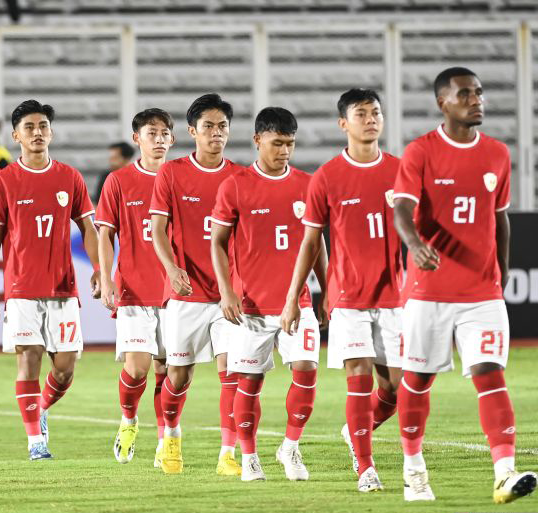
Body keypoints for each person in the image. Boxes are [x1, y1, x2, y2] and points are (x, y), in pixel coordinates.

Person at [392, 67, 537, 503]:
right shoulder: (420, 152)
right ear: (443, 103)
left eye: (479, 92)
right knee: (417, 379)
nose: (477, 100)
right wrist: (415, 244)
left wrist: (503, 267)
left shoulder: (497, 153)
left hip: (482, 292)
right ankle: (413, 468)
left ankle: (504, 473)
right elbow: (401, 210)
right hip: (428, 290)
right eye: (465, 94)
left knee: (490, 375)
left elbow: (500, 217)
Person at [281, 88, 404, 493]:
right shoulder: (327, 177)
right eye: (361, 113)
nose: (371, 119)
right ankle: (366, 467)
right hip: (348, 295)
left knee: (396, 388)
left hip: (394, 296)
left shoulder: (402, 172)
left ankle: (356, 431)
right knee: (360, 377)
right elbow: (310, 242)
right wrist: (296, 297)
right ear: (343, 123)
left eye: (376, 112)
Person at [211, 107, 328, 481]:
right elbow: (217, 242)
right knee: (250, 382)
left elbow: (316, 243)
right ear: (257, 139)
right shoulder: (235, 185)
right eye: (277, 143)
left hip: (299, 303)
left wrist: (327, 287)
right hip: (251, 307)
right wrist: (227, 291)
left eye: (290, 144)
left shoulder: (308, 185)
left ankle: (290, 447)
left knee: (307, 370)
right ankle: (249, 457)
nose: (284, 151)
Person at [0, 100, 101, 461]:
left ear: (51, 132)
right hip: (21, 290)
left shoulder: (69, 177)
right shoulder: (3, 181)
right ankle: (36, 441)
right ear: (16, 135)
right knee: (29, 358)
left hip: (63, 289)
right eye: (29, 127)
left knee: (64, 369)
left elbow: (88, 228)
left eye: (43, 126)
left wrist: (98, 269)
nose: (37, 132)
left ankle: (41, 408)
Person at [149, 93, 242, 476]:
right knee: (179, 375)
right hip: (186, 292)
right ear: (192, 131)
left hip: (227, 295)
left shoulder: (240, 176)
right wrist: (171, 269)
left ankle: (228, 454)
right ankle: (170, 437)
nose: (216, 133)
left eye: (222, 126)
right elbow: (156, 230)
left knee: (231, 371)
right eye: (208, 126)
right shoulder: (171, 173)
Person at [96, 108, 175, 467]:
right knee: (138, 368)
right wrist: (107, 275)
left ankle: (165, 440)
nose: (158, 140)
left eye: (164, 134)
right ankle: (128, 421)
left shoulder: (182, 178)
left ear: (172, 138)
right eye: (151, 133)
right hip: (134, 291)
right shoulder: (119, 181)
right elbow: (105, 233)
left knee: (169, 370)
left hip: (177, 293)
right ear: (136, 139)